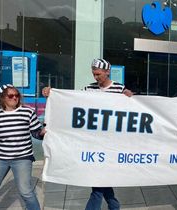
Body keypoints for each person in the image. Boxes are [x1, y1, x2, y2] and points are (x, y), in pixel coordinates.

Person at [42, 58, 133, 210]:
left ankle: (112, 206)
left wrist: (129, 97)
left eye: (98, 74)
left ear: (107, 72)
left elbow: (128, 111)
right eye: (94, 74)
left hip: (111, 144)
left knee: (98, 183)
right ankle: (114, 205)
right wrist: (53, 94)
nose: (95, 77)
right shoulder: (88, 89)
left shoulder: (119, 89)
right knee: (99, 181)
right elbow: (74, 103)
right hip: (93, 143)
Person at [0, 84, 46, 210]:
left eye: (16, 95)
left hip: (22, 158)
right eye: (10, 96)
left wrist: (42, 133)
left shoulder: (27, 112)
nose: (14, 98)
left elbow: (36, 133)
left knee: (26, 192)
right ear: (2, 98)